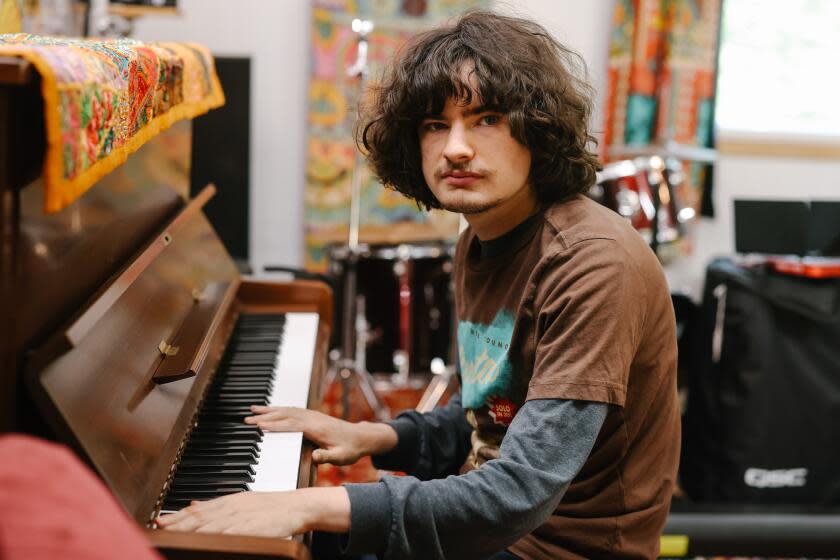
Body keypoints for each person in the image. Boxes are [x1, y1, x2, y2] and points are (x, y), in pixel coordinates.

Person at [157, 10, 680, 559]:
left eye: (487, 119)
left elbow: (518, 491)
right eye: (435, 125)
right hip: (502, 527)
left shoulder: (592, 266)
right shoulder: (480, 238)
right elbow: (498, 407)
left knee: (308, 532)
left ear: (537, 129)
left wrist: (310, 505)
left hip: (559, 547)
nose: (455, 148)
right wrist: (380, 437)